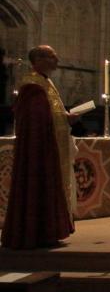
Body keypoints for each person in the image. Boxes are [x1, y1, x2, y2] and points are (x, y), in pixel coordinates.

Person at [1, 45, 78, 249]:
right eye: (52, 57)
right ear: (39, 59)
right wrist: (60, 121)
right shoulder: (32, 86)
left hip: (50, 144)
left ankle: (48, 232)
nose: (57, 60)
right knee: (37, 185)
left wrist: (66, 118)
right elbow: (35, 119)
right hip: (40, 147)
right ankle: (36, 233)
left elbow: (49, 115)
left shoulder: (46, 82)